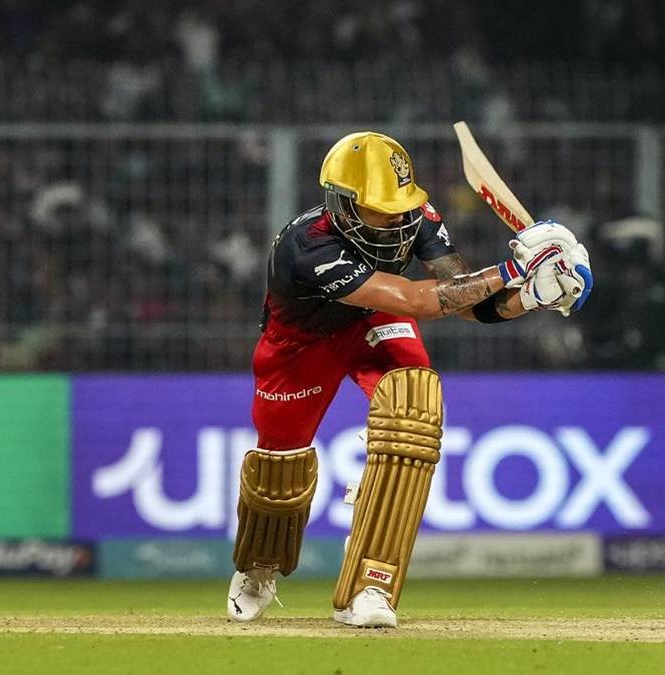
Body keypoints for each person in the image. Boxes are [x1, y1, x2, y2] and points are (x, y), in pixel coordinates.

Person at [226, 131, 591, 627]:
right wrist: (513, 267)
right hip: (300, 346)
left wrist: (534, 292)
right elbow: (413, 299)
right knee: (279, 465)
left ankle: (370, 584)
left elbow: (464, 298)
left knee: (413, 406)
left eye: (401, 206)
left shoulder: (416, 215)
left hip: (372, 323)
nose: (398, 219)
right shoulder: (308, 246)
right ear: (343, 204)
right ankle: (259, 565)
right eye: (383, 209)